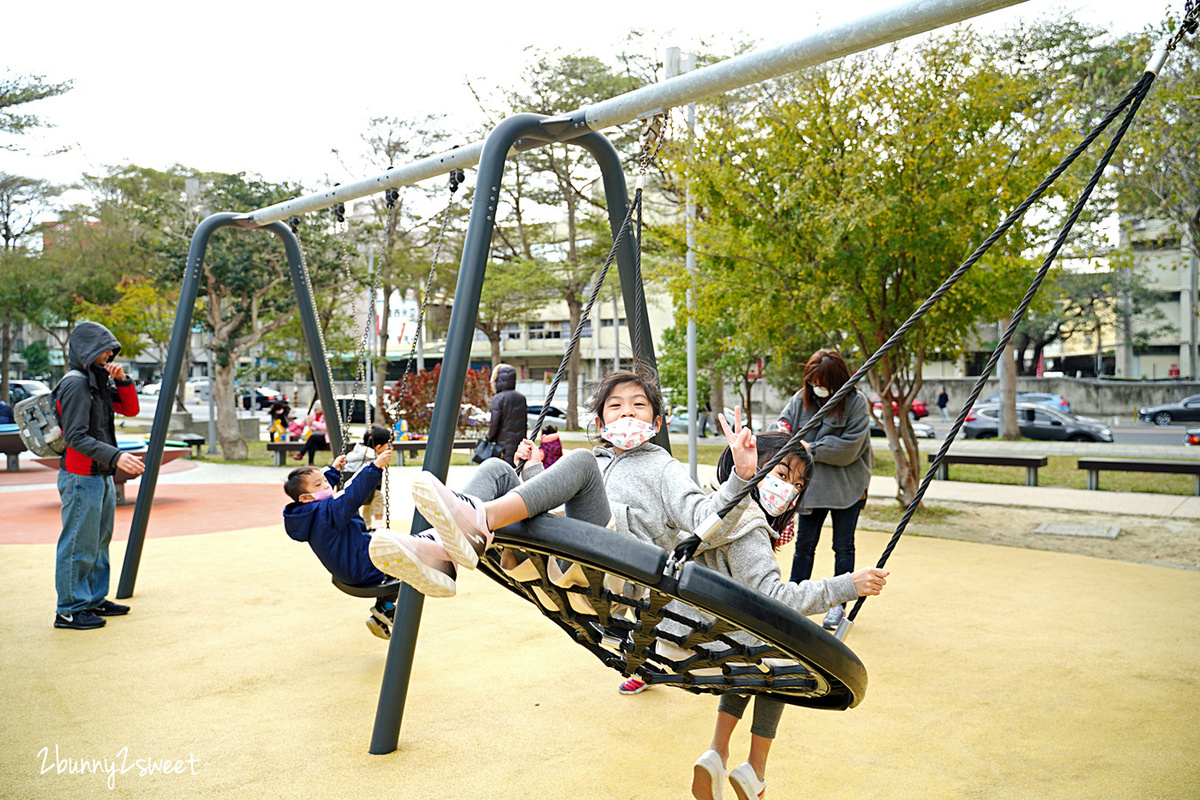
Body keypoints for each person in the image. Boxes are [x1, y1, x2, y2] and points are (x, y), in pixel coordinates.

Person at [367, 363, 754, 605]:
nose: (628, 412)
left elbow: (708, 522)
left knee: (580, 463)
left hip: (622, 573)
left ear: (656, 424)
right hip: (568, 557)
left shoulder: (663, 467)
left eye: (639, 405)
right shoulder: (600, 460)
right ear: (600, 425)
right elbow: (554, 513)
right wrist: (534, 469)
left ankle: (476, 521)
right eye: (616, 407)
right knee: (502, 470)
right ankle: (441, 554)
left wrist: (740, 475)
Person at [691, 432, 889, 800]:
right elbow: (776, 597)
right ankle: (756, 771)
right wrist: (848, 585)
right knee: (785, 656)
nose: (789, 489)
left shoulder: (711, 510)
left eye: (797, 485)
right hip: (718, 648)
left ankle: (717, 752)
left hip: (706, 635)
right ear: (751, 468)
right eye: (781, 474)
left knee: (758, 649)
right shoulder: (749, 527)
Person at [53, 321, 144, 630]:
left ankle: (92, 598)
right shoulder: (76, 384)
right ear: (87, 350)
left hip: (99, 473)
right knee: (79, 541)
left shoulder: (96, 380)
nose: (109, 354)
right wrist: (117, 456)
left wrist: (123, 380)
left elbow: (130, 410)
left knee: (99, 539)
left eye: (111, 350)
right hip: (80, 475)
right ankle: (69, 608)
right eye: (104, 349)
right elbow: (75, 436)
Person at [775, 349, 872, 631]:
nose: (817, 387)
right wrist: (782, 431)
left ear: (837, 380)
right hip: (811, 488)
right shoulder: (801, 399)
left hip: (846, 487)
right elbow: (782, 426)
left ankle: (839, 606)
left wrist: (809, 448)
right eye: (813, 381)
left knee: (843, 546)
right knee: (804, 546)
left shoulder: (856, 403)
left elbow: (848, 449)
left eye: (823, 382)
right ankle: (791, 602)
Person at [283, 442, 398, 638]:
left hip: (344, 570)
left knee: (386, 545)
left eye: (324, 481)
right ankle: (386, 607)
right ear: (305, 497)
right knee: (410, 559)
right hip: (362, 569)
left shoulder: (307, 512)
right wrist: (375, 467)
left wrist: (333, 471)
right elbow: (352, 494)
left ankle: (380, 615)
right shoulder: (328, 511)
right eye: (319, 485)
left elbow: (322, 486)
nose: (326, 486)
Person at [343, 425, 392, 528]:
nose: (391, 449)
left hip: (349, 486)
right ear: (378, 447)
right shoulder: (371, 457)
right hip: (361, 487)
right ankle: (378, 526)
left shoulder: (357, 452)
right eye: (389, 446)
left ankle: (366, 525)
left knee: (369, 502)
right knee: (378, 497)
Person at [485, 364, 526, 466]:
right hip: (519, 443)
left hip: (502, 444)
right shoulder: (521, 398)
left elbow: (494, 423)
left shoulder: (498, 398)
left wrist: (488, 438)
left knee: (503, 472)